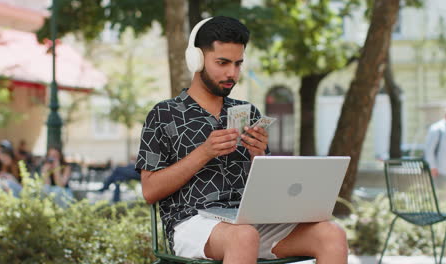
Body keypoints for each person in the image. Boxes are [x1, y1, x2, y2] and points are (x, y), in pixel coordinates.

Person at [136, 16, 347, 264]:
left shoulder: (249, 112)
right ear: (197, 59)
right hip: (191, 223)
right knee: (243, 237)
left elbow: (268, 191)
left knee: (331, 233)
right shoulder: (163, 114)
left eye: (238, 64)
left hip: (249, 220)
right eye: (223, 63)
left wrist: (259, 157)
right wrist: (204, 152)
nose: (232, 73)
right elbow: (150, 191)